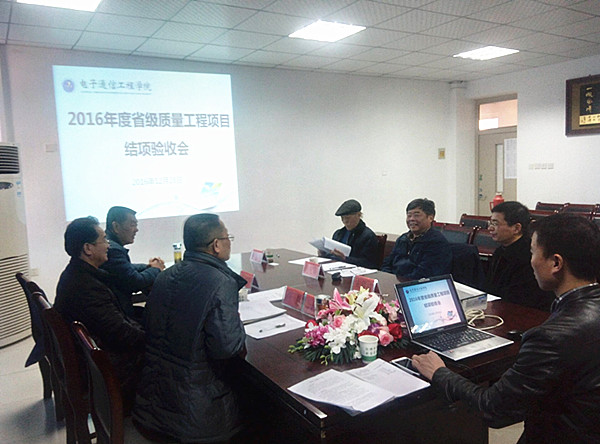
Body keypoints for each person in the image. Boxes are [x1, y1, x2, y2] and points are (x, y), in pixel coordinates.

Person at [412, 213, 600, 443]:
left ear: (556, 263)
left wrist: (440, 373)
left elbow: (493, 408)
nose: (531, 261)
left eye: (533, 252)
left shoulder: (550, 338)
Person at [133, 214, 248, 443]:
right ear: (216, 245)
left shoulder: (164, 276)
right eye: (228, 238)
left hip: (151, 402)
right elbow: (227, 348)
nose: (230, 242)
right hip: (197, 415)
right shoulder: (221, 282)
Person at [55, 216, 145, 411]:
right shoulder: (86, 287)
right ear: (88, 249)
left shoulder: (77, 274)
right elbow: (121, 333)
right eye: (104, 240)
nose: (108, 245)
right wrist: (155, 338)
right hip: (102, 371)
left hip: (92, 357)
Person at [485, 201, 553, 311]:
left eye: (495, 224)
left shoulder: (529, 255)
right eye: (490, 223)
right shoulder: (500, 251)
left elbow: (523, 298)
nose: (490, 228)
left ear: (516, 228)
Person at [101, 206, 164, 319]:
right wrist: (156, 269)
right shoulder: (113, 250)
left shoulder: (113, 247)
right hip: (121, 315)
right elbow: (135, 282)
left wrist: (148, 266)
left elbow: (127, 268)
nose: (136, 229)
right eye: (132, 225)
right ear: (116, 227)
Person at [381, 198, 452, 279]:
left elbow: (423, 274)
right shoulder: (403, 239)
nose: (411, 219)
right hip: (394, 281)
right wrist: (387, 277)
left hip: (416, 284)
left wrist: (398, 282)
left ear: (430, 218)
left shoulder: (436, 243)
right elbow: (387, 263)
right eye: (409, 215)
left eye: (416, 215)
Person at [320, 199, 379, 269]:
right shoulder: (338, 234)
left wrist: (345, 259)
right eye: (342, 218)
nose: (345, 221)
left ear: (359, 215)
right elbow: (333, 256)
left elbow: (369, 263)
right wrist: (324, 254)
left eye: (348, 218)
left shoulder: (368, 236)